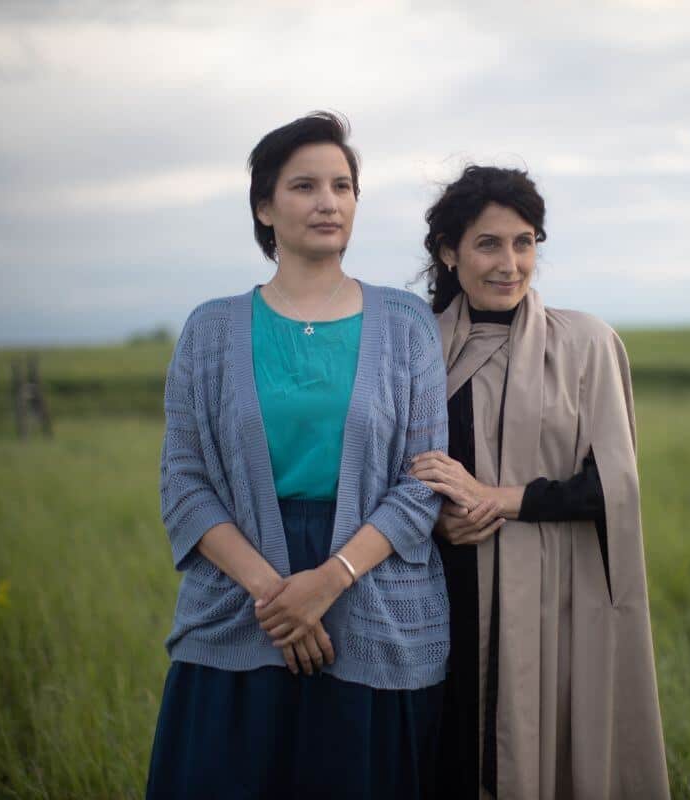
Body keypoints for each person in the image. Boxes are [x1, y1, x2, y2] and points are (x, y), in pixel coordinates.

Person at [146, 111, 449, 799]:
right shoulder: (210, 330)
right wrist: (274, 595)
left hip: (371, 600)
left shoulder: (406, 327)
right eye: (305, 186)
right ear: (264, 206)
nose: (327, 202)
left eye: (342, 187)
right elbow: (185, 481)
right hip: (239, 600)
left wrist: (329, 579)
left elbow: (423, 482)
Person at [409, 165, 671, 799]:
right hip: (440, 597)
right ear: (450, 251)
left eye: (524, 242)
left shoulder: (585, 344)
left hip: (551, 598)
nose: (510, 263)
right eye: (489, 244)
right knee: (446, 763)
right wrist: (439, 519)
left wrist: (497, 498)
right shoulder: (413, 347)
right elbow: (387, 471)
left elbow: (610, 487)